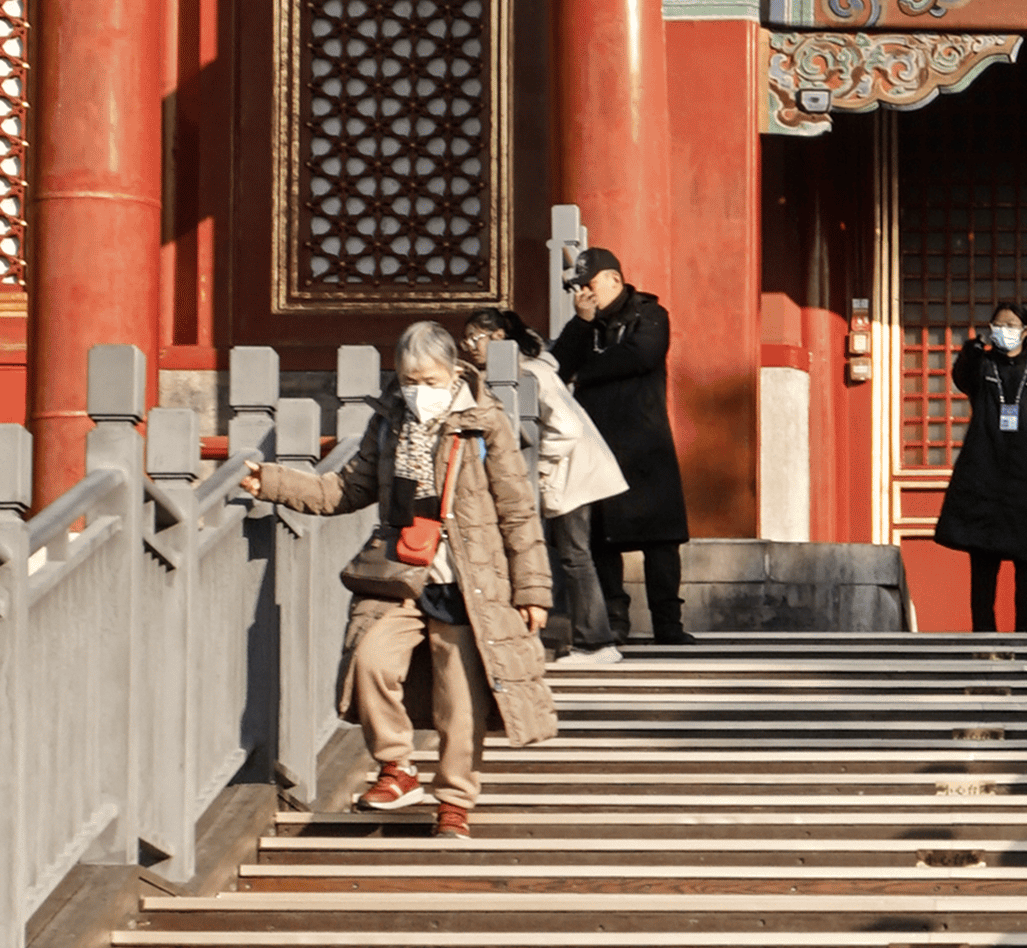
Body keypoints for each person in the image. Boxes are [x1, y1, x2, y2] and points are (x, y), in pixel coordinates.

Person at [244, 315, 554, 834]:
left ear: (453, 372)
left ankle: (454, 802)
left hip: (470, 580)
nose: (418, 392)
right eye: (410, 381)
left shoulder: (486, 422)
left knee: (461, 700)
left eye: (430, 382)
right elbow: (343, 490)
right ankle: (397, 766)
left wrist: (532, 588)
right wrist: (270, 481)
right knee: (369, 661)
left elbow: (518, 511)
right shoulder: (389, 421)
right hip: (399, 574)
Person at [553, 246, 692, 646]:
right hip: (598, 444)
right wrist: (581, 326)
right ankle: (616, 621)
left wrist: (586, 371)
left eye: (590, 283)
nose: (585, 292)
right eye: (579, 287)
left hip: (646, 443)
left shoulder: (650, 315)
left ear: (613, 279)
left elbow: (642, 355)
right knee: (602, 537)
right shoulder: (585, 324)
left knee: (661, 539)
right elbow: (559, 366)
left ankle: (669, 623)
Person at [472, 307, 624, 656]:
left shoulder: (530, 374)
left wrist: (537, 464)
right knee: (569, 556)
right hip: (571, 474)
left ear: (498, 338)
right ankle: (578, 636)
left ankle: (596, 644)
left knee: (575, 557)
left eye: (475, 337)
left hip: (570, 476)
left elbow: (566, 428)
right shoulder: (528, 370)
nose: (469, 345)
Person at [936, 301, 1027, 632]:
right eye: (997, 325)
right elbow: (961, 378)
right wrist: (971, 350)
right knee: (982, 567)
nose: (1003, 331)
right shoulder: (981, 367)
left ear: (1025, 332)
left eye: (1010, 325)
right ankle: (983, 640)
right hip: (985, 477)